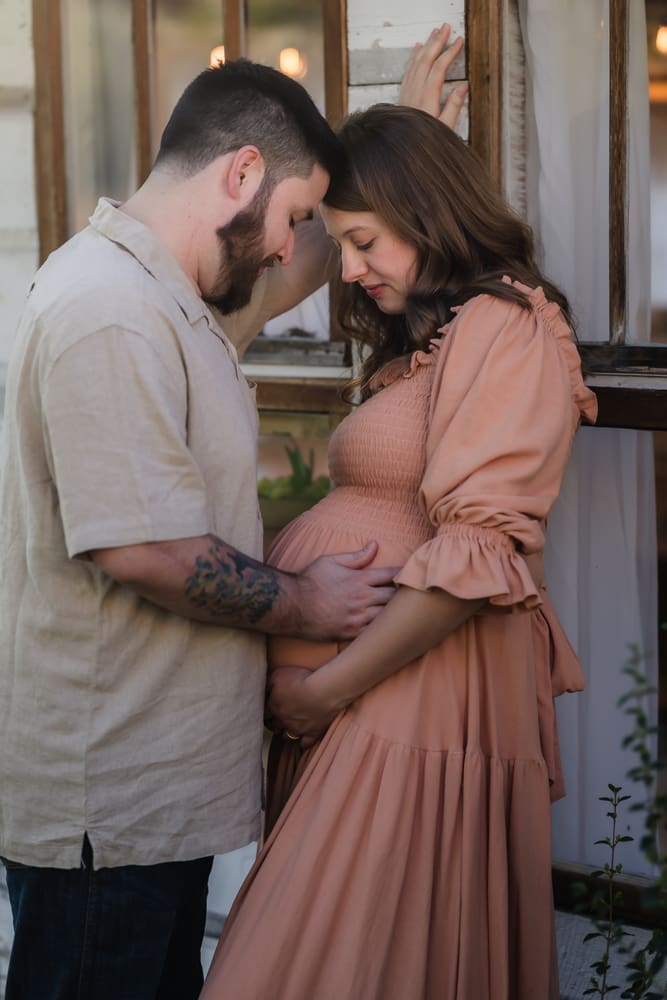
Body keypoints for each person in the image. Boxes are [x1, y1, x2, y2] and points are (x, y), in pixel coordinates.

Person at [0, 58, 412, 1000]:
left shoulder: (175, 302)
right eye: (295, 214)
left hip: (153, 804)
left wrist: (395, 148)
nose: (290, 247)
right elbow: (139, 549)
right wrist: (308, 600)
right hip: (109, 813)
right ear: (238, 174)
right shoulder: (112, 312)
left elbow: (294, 273)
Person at [199, 39, 599, 1000]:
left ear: (427, 215)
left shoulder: (511, 327)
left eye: (366, 243)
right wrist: (408, 145)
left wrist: (328, 689)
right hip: (368, 706)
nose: (348, 270)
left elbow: (480, 554)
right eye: (341, 243)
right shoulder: (437, 338)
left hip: (413, 700)